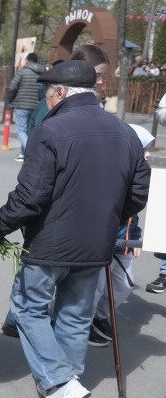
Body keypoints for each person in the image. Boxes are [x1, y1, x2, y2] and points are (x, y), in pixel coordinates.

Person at [0, 60, 149, 398]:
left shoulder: (50, 130)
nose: (47, 98)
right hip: (96, 242)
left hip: (51, 243)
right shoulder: (126, 132)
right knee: (75, 315)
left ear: (60, 93)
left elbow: (30, 196)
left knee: (28, 306)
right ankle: (67, 388)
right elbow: (138, 193)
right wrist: (109, 219)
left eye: (48, 91)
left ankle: (60, 382)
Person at [1, 45, 111, 338]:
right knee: (38, 292)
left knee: (70, 309)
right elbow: (36, 184)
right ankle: (20, 324)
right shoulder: (50, 114)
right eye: (97, 75)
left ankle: (61, 377)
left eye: (100, 76)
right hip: (52, 214)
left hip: (81, 216)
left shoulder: (104, 117)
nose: (100, 82)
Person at [88, 124, 153, 348]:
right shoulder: (113, 171)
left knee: (123, 285)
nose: (148, 153)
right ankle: (84, 324)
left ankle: (101, 317)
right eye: (144, 148)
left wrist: (136, 236)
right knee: (94, 288)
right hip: (103, 241)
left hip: (124, 242)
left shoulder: (138, 173)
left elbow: (133, 213)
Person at [4, 52, 44, 162]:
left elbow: (11, 87)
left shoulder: (22, 72)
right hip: (37, 106)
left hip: (22, 105)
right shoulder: (42, 73)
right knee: (28, 131)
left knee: (21, 131)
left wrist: (11, 100)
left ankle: (31, 152)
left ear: (27, 60)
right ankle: (22, 154)